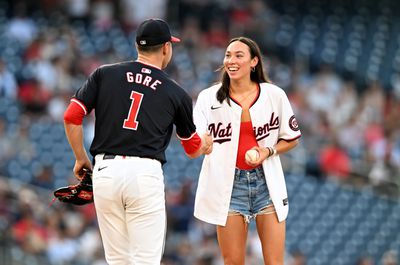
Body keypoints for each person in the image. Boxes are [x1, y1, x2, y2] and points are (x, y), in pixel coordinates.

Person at [63, 18, 212, 265]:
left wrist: (80, 158)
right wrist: (205, 143)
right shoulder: (176, 92)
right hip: (144, 175)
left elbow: (72, 116)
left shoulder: (104, 74)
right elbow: (192, 148)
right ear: (166, 48)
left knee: (118, 261)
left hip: (105, 172)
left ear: (137, 46)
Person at [193, 36, 301, 265]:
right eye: (228, 55)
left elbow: (292, 139)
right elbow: (197, 140)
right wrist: (203, 144)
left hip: (266, 182)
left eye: (238, 55)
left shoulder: (274, 94)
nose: (231, 60)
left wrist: (268, 151)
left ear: (254, 62)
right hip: (228, 184)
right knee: (233, 262)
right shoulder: (207, 98)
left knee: (274, 262)